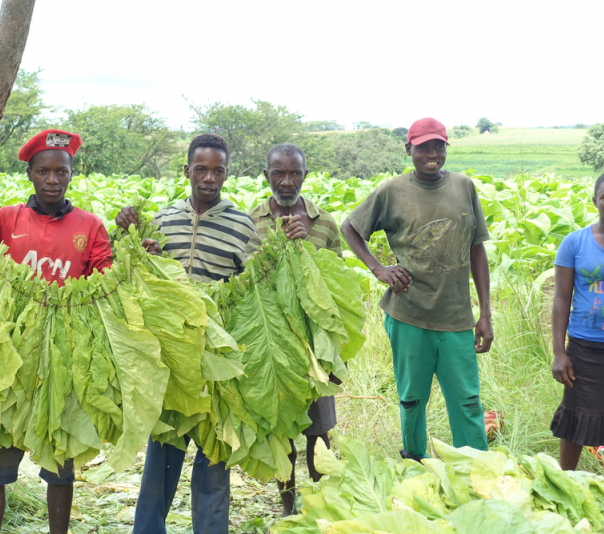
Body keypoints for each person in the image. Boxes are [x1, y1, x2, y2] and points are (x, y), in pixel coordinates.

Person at [0, 129, 112, 534]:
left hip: (63, 356)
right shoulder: (5, 219)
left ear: (70, 174)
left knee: (60, 462)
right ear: (29, 173)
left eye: (61, 172)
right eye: (43, 171)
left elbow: (106, 278)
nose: (52, 180)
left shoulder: (90, 226)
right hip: (3, 353)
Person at [115, 133, 261, 534]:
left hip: (217, 360)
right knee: (162, 452)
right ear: (187, 171)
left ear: (227, 175)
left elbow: (253, 290)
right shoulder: (163, 219)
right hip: (172, 357)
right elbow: (141, 277)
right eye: (201, 169)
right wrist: (132, 240)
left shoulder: (243, 226)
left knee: (213, 459)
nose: (209, 178)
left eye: (218, 171)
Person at [341, 117, 493, 462]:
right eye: (423, 147)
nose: (432, 154)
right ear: (408, 149)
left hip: (457, 317)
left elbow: (476, 249)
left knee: (468, 400)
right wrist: (378, 268)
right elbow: (350, 227)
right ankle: (415, 462)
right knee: (412, 399)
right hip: (408, 314)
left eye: (438, 146)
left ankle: (477, 469)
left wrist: (485, 314)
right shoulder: (392, 191)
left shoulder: (464, 186)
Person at [247, 142, 343, 516]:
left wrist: (308, 249)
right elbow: (245, 279)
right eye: (278, 174)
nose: (287, 182)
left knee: (319, 431)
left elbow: (336, 288)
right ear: (266, 174)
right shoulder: (250, 220)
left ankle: (321, 506)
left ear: (305, 174)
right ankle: (288, 508)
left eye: (295, 174)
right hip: (274, 342)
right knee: (281, 428)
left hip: (316, 346)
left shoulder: (326, 223)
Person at [551, 171, 604, 470]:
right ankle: (566, 481)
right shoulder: (574, 243)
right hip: (584, 348)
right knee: (576, 415)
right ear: (595, 202)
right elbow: (561, 299)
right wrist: (559, 352)